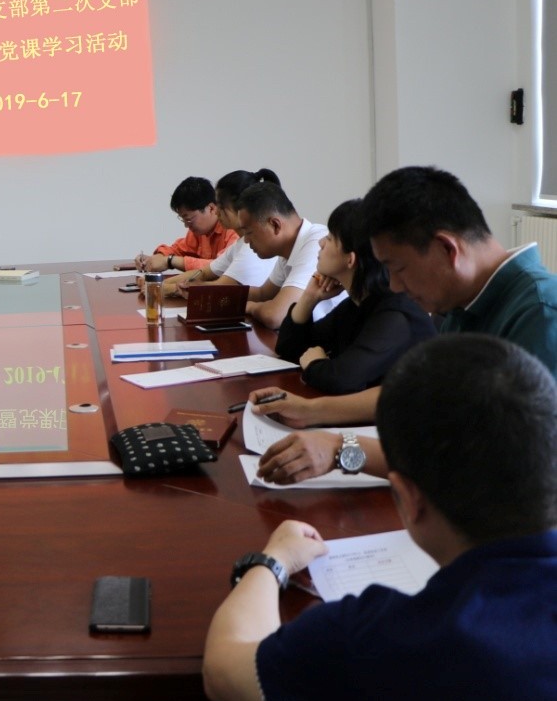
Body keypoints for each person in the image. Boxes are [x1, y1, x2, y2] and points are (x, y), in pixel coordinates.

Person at [203, 334, 557, 701]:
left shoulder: (393, 639)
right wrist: (340, 449)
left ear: (408, 499)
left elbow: (225, 672)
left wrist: (272, 561)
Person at [253, 165, 557, 484]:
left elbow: (498, 459)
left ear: (446, 249)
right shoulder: (460, 304)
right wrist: (311, 411)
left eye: (398, 268)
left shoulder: (540, 314)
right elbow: (421, 393)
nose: (395, 286)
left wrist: (342, 449)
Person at [274, 199, 435, 394]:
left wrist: (314, 363)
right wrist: (309, 298)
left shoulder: (395, 313)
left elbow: (343, 380)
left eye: (330, 238)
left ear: (350, 259)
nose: (321, 242)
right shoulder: (358, 303)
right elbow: (289, 349)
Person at [163, 169, 278, 297]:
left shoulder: (252, 248)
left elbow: (219, 290)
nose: (217, 213)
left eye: (222, 207)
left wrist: (165, 288)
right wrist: (160, 285)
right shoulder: (240, 244)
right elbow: (204, 273)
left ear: (242, 208)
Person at [232, 181, 331, 329]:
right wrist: (212, 296)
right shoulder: (288, 248)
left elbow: (276, 316)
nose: (246, 240)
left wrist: (250, 307)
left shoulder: (316, 243)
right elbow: (263, 294)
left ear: (275, 225)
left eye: (248, 232)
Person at [132, 176, 238, 273]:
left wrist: (170, 261)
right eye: (183, 220)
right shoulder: (199, 232)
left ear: (211, 208)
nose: (186, 226)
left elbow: (222, 266)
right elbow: (177, 250)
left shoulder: (234, 230)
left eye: (189, 219)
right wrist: (155, 259)